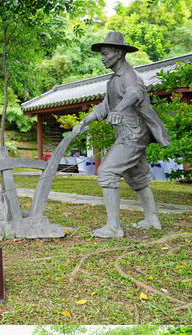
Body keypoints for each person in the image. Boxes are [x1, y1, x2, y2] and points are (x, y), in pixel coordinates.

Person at [71, 31, 169, 238]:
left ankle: (113, 227)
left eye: (106, 53)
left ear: (118, 53)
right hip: (129, 134)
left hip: (132, 134)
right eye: (102, 54)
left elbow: (135, 93)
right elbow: (104, 107)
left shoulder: (128, 76)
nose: (102, 57)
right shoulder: (112, 80)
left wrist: (119, 110)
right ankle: (152, 219)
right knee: (138, 178)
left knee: (106, 172)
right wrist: (84, 122)